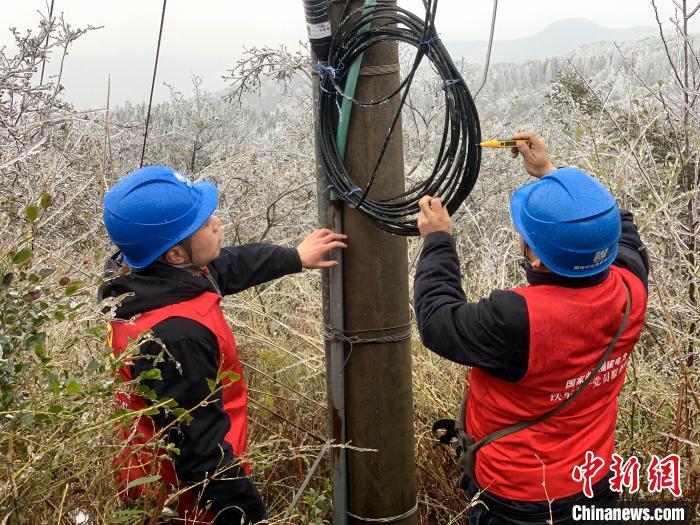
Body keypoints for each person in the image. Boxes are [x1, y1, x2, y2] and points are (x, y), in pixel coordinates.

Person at [414, 131, 649, 524]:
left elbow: (437, 321)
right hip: (594, 479)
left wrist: (438, 240)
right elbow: (610, 223)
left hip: (519, 498)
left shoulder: (516, 320)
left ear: (536, 259)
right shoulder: (631, 286)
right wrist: (550, 176)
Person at [98, 166, 347, 524]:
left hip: (157, 481)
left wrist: (293, 257)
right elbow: (201, 457)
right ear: (176, 256)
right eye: (201, 223)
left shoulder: (141, 281)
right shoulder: (176, 337)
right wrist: (250, 516)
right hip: (190, 505)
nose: (215, 222)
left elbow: (226, 267)